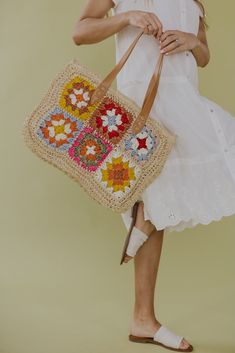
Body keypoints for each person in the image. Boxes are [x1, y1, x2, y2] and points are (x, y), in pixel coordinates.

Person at [72, 1, 235, 351]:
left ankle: (142, 311)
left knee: (161, 200)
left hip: (184, 98)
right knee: (157, 199)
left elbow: (204, 56)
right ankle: (143, 314)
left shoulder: (192, 2)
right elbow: (80, 32)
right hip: (141, 101)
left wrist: (193, 42)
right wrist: (127, 17)